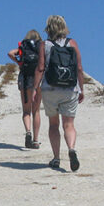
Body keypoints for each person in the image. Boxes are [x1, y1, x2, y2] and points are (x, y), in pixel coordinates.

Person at [33, 15, 84, 171]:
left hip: (50, 89)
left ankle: (56, 158)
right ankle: (72, 149)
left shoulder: (44, 44)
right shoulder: (72, 43)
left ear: (48, 28)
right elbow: (80, 68)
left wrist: (36, 88)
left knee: (53, 125)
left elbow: (41, 68)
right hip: (70, 89)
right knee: (69, 124)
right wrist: (81, 89)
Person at [7, 29, 42, 149]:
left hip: (25, 77)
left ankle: (28, 132)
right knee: (36, 111)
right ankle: (36, 141)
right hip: (37, 79)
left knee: (26, 111)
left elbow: (10, 53)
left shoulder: (23, 47)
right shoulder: (40, 47)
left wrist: (19, 63)